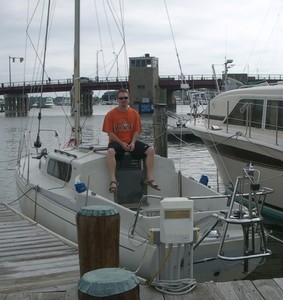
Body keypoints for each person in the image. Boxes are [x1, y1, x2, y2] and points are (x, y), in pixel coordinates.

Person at [102, 88, 160, 193]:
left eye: (125, 98)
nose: (123, 100)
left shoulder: (134, 114)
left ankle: (149, 178)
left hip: (130, 141)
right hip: (116, 142)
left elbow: (136, 130)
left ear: (129, 99)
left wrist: (133, 142)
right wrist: (121, 143)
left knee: (150, 150)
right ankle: (113, 181)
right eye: (121, 98)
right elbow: (109, 132)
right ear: (117, 100)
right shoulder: (110, 114)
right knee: (110, 152)